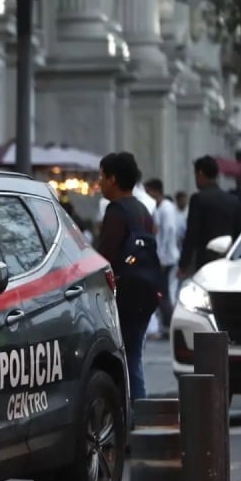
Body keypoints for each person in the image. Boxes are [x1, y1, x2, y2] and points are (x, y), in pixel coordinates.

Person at [96, 152, 158, 405]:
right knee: (134, 353)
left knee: (128, 357)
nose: (99, 182)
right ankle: (138, 414)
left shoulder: (117, 211)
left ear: (113, 179)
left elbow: (105, 257)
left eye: (102, 176)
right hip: (146, 290)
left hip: (125, 293)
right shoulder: (143, 210)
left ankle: (136, 417)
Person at [178, 156, 241, 280]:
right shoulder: (233, 200)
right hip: (228, 261)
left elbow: (192, 234)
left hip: (205, 262)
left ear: (200, 174)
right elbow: (240, 232)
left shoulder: (198, 199)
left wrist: (183, 265)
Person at [143, 179, 179, 338]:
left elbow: (169, 231)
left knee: (163, 292)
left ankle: (170, 325)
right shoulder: (160, 208)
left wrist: (163, 256)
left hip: (167, 257)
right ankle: (167, 324)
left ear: (155, 191)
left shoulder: (166, 208)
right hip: (164, 255)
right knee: (162, 292)